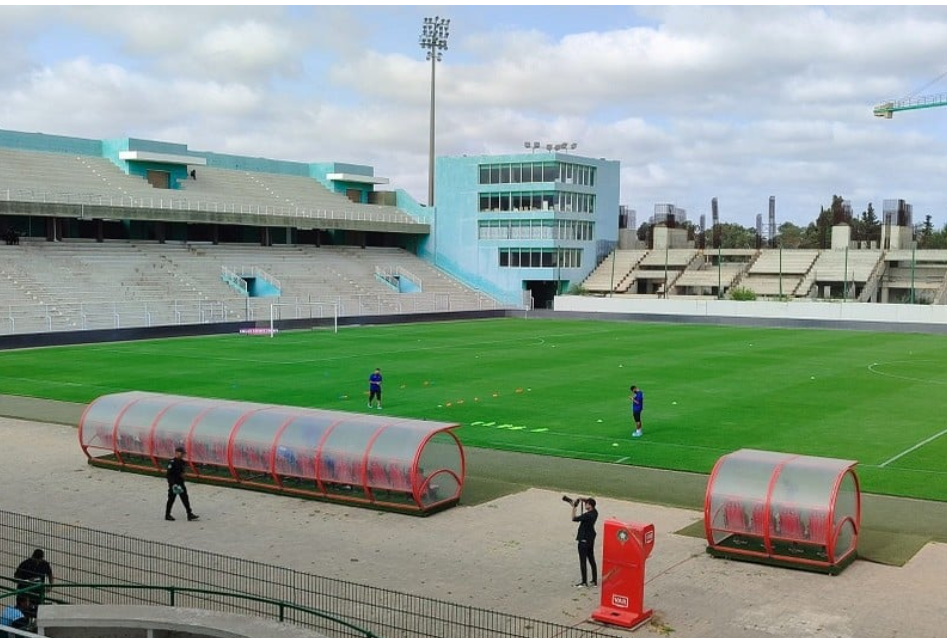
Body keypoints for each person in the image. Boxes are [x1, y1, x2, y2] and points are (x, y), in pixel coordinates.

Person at [13, 549, 53, 614]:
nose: (37, 562)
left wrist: (50, 586)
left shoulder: (45, 564)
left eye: (39, 560)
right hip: (25, 592)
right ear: (33, 557)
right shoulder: (25, 564)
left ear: (41, 559)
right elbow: (16, 577)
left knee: (37, 611)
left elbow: (50, 574)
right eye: (35, 560)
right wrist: (26, 581)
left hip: (37, 593)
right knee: (24, 611)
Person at [166, 446, 199, 521]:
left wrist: (183, 475)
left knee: (185, 498)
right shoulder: (172, 462)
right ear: (177, 453)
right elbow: (168, 475)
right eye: (182, 453)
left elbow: (182, 471)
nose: (183, 455)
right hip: (174, 485)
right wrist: (172, 484)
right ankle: (167, 514)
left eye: (184, 453)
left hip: (180, 483)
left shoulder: (182, 462)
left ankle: (189, 514)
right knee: (171, 499)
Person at [571, 497, 598, 588]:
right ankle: (594, 580)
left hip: (583, 540)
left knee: (583, 561)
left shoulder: (587, 516)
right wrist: (581, 498)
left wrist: (574, 507)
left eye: (586, 503)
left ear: (590, 505)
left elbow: (574, 518)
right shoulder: (595, 513)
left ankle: (584, 582)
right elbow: (590, 501)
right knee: (591, 559)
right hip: (590, 539)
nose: (585, 504)